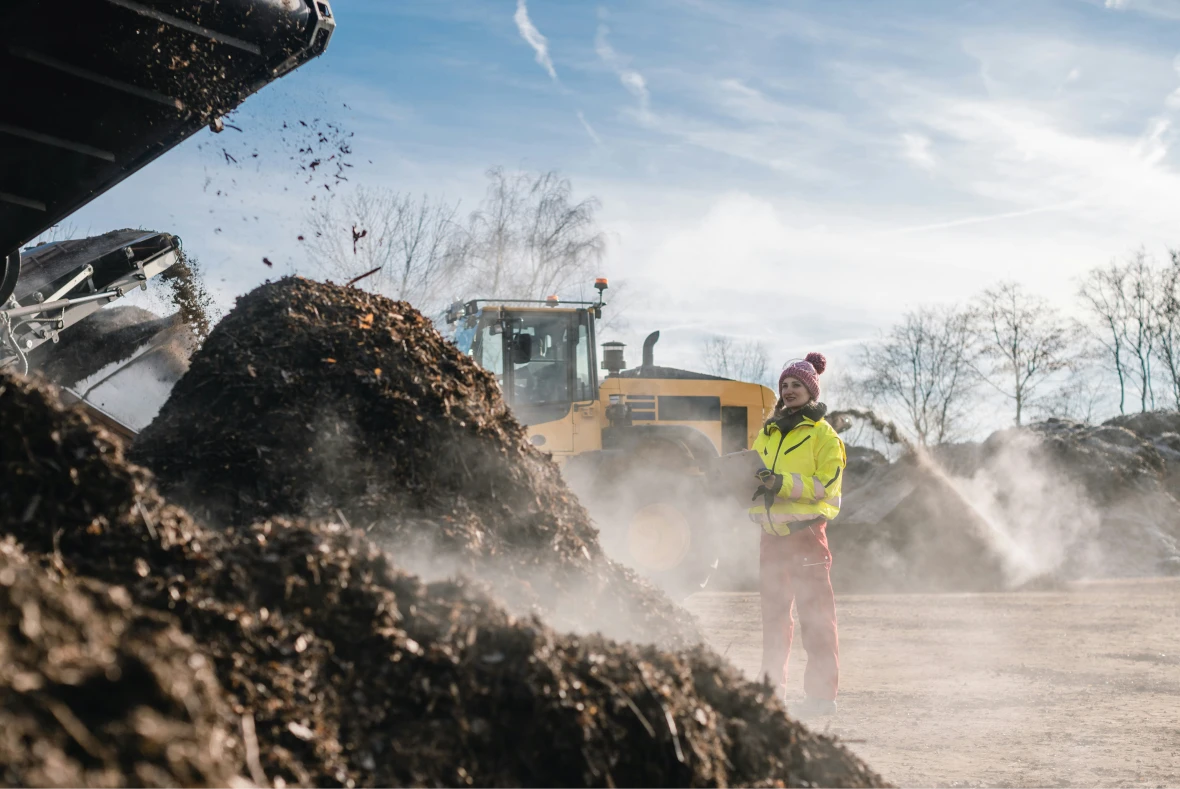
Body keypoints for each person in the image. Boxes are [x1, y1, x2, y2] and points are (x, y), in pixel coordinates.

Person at [749, 352, 846, 719]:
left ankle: (821, 699)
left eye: (796, 385)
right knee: (773, 620)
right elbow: (754, 477)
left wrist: (780, 483)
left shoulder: (825, 436)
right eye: (784, 385)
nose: (789, 390)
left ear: (811, 390)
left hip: (806, 536)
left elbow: (828, 487)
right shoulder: (768, 433)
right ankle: (771, 693)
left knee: (817, 618)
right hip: (771, 539)